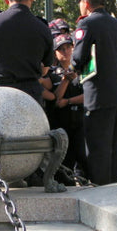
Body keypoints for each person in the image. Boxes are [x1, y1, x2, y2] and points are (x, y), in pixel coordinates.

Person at [71, 0, 117, 185]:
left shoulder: (87, 24)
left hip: (98, 95)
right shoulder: (116, 24)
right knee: (114, 150)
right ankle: (114, 191)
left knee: (97, 150)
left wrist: (72, 67)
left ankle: (102, 194)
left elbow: (78, 58)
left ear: (85, 3)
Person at [42, 33, 86, 184]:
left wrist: (69, 101)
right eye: (61, 49)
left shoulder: (83, 70)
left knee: (83, 157)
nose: (66, 51)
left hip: (80, 122)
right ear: (55, 53)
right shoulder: (52, 74)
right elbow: (55, 98)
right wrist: (65, 81)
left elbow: (89, 95)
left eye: (68, 47)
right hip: (62, 123)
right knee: (64, 163)